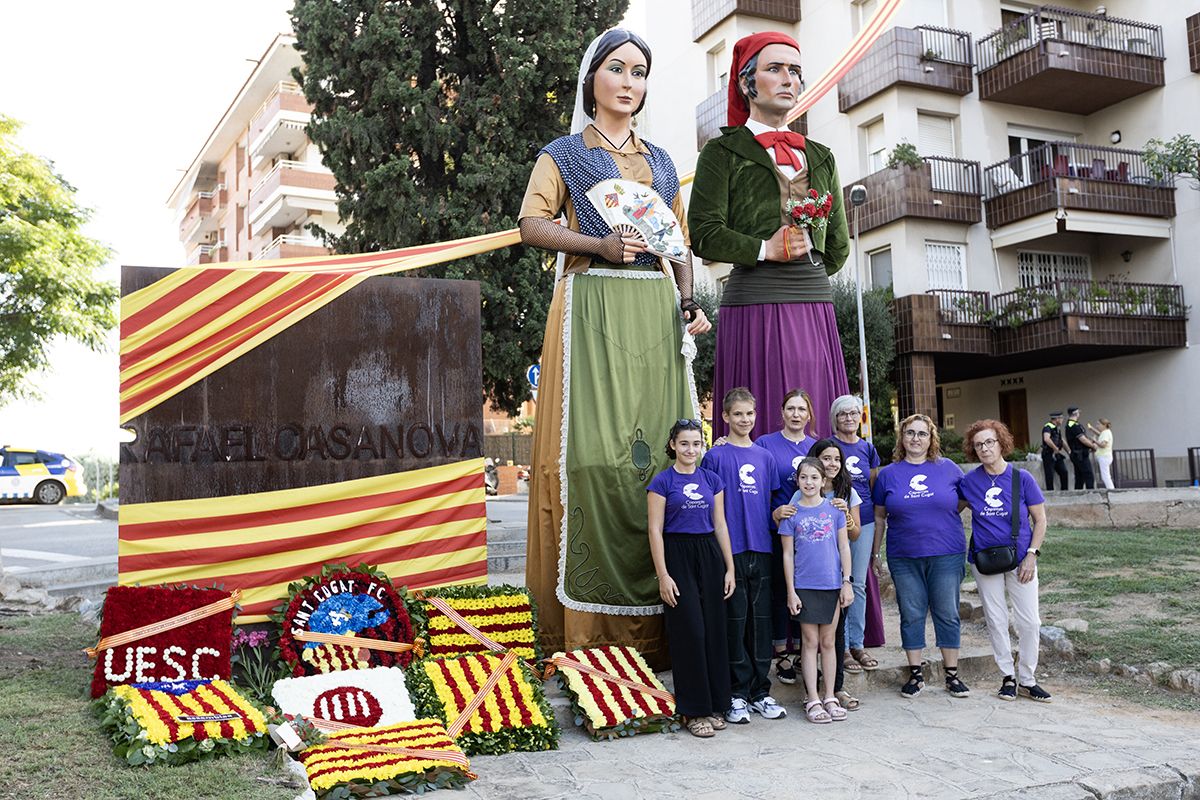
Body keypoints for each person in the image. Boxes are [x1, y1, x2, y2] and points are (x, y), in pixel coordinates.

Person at [519, 29, 711, 666]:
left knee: (658, 451)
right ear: (592, 81)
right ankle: (580, 634)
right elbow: (532, 224)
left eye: (640, 72)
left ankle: (668, 625)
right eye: (617, 69)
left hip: (653, 309)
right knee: (588, 460)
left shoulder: (659, 162)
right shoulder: (564, 153)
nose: (630, 82)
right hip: (590, 304)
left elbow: (675, 241)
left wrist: (687, 300)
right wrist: (596, 245)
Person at [688, 32, 850, 441]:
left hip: (811, 303)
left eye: (795, 71)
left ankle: (820, 507)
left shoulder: (821, 155)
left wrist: (806, 270)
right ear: (746, 83)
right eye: (774, 68)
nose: (787, 78)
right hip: (752, 302)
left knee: (813, 416)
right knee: (756, 419)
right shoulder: (721, 152)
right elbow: (703, 234)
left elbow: (838, 245)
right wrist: (764, 250)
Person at [701, 387, 787, 724]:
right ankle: (736, 694)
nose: (744, 419)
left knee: (760, 624)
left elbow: (774, 502)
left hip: (762, 549)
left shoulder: (765, 457)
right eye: (737, 414)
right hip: (730, 552)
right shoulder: (715, 457)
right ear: (725, 417)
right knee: (735, 624)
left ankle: (760, 693)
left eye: (749, 414)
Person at [647, 420, 737, 737]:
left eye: (696, 443)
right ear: (673, 444)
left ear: (703, 446)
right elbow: (655, 531)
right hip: (677, 555)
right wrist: (663, 575)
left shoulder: (712, 480)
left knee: (713, 631)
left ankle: (713, 705)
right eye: (684, 443)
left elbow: (721, 525)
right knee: (691, 633)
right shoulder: (661, 483)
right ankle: (692, 711)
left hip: (709, 554)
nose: (690, 450)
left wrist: (730, 567)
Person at [871, 414, 970, 699]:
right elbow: (879, 517)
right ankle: (916, 674)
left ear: (931, 438)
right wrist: (875, 553)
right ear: (902, 438)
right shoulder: (888, 474)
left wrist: (936, 519)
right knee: (911, 614)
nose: (916, 438)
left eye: (922, 434)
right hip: (904, 556)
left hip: (946, 553)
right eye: (910, 433)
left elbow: (961, 501)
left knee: (947, 612)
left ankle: (952, 675)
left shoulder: (948, 468)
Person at [960, 419, 1052, 702]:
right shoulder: (969, 481)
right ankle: (1007, 677)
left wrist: (1031, 556)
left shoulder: (1021, 478)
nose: (985, 448)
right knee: (996, 619)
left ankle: (1027, 677)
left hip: (1021, 559)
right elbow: (949, 509)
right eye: (979, 445)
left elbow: (1040, 520)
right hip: (984, 560)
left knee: (1029, 622)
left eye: (990, 442)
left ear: (1001, 443)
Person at [779, 459, 854, 723]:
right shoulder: (792, 514)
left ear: (824, 481)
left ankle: (830, 695)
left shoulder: (834, 512)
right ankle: (812, 698)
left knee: (829, 642)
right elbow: (787, 555)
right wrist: (791, 591)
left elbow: (844, 548)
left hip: (832, 585)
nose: (809, 483)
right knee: (809, 643)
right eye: (803, 478)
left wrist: (847, 582)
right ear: (797, 481)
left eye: (814, 478)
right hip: (805, 585)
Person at [752, 387, 816, 683]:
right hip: (777, 530)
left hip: (812, 534)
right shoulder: (765, 444)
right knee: (780, 589)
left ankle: (805, 651)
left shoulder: (816, 446)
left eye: (801, 409)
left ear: (809, 414)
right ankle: (781, 653)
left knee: (805, 589)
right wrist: (773, 515)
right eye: (791, 408)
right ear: (782, 412)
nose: (796, 414)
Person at [829, 394, 886, 674]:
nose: (849, 418)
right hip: (833, 523)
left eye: (853, 413)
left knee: (858, 584)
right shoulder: (829, 446)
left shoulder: (868, 449)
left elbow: (873, 488)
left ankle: (857, 644)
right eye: (843, 414)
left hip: (863, 523)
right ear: (835, 419)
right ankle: (839, 646)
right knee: (836, 582)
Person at [810, 437, 862, 711]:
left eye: (836, 459)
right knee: (810, 636)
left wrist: (847, 515)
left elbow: (855, 534)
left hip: (837, 571)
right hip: (809, 572)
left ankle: (836, 688)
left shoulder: (846, 492)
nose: (831, 464)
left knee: (836, 633)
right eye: (826, 458)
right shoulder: (806, 488)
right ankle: (812, 689)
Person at [1065, 407, 1097, 490]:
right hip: (1080, 455)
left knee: (1080, 477)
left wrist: (1090, 443)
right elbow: (1082, 439)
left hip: (1078, 454)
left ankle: (1078, 496)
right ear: (1076, 413)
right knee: (1088, 475)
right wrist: (1092, 446)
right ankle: (1091, 495)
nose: (1079, 414)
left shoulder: (1073, 424)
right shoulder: (1073, 425)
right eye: (1078, 412)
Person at [1040, 412, 1069, 491]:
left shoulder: (1057, 428)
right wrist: (1055, 448)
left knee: (1064, 472)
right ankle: (1051, 493)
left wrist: (1069, 451)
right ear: (1057, 419)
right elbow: (1046, 439)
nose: (1062, 420)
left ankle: (1065, 492)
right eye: (1061, 418)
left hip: (1057, 455)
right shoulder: (1047, 427)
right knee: (1050, 475)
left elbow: (1061, 440)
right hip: (1049, 454)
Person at [1089, 418, 1114, 490]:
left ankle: (1111, 490)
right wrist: (1092, 429)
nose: (1097, 426)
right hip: (1105, 456)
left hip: (1104, 456)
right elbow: (1100, 434)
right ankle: (1111, 490)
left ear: (1104, 425)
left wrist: (1095, 441)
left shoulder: (1106, 433)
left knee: (1105, 476)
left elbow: (1103, 445)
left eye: (1098, 424)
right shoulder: (1105, 432)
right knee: (1106, 475)